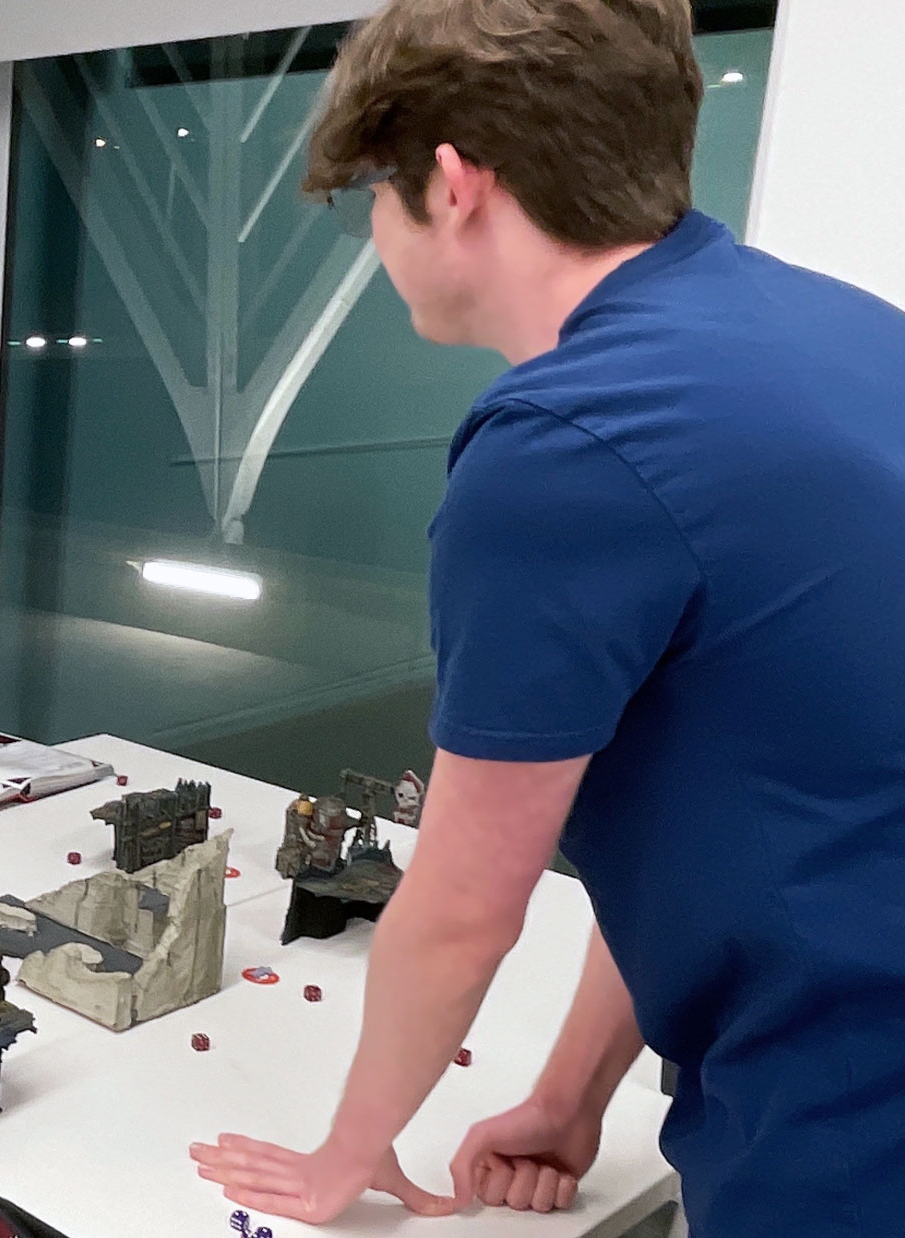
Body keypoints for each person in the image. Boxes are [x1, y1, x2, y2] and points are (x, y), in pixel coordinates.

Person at [189, 1, 905, 1233]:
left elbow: (466, 903)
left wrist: (341, 1156)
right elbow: (720, 786)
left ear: (454, 185)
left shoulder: (568, 445)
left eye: (374, 191)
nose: (375, 228)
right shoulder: (844, 330)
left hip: (843, 1126)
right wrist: (572, 1093)